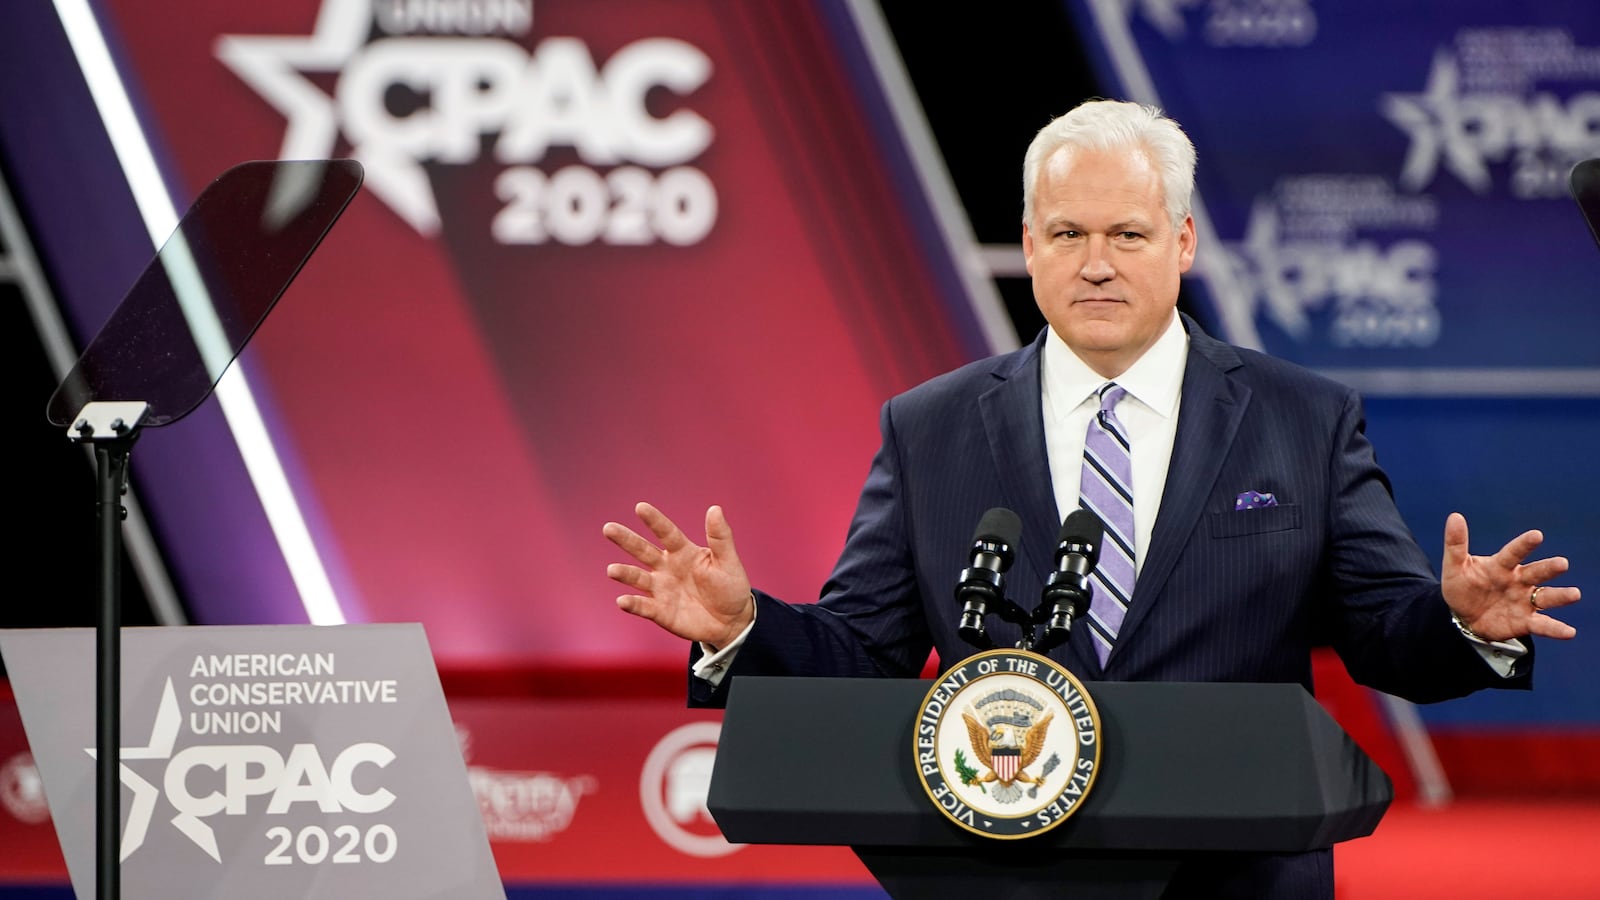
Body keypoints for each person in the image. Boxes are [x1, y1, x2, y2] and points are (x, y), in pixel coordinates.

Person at [603, 99, 1579, 898]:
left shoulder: (1301, 420)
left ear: (1183, 241)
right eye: (1067, 233)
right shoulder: (929, 427)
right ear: (1028, 245)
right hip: (1001, 873)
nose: (1096, 262)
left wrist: (1462, 624)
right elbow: (865, 652)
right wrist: (741, 625)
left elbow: (1381, 635)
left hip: (1236, 878)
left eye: (1126, 233)